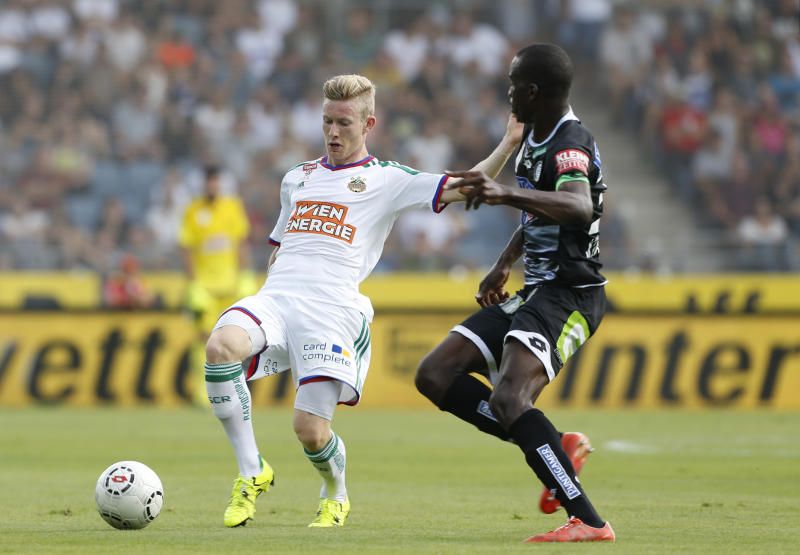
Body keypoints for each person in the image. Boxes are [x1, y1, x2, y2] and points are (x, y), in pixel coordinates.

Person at [203, 74, 522, 528]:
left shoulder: (387, 179)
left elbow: (466, 185)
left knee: (310, 432)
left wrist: (509, 142)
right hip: (277, 298)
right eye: (327, 121)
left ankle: (335, 493)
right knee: (220, 347)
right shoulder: (297, 178)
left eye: (344, 123)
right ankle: (251, 470)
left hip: (332, 312)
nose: (333, 132)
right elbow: (280, 245)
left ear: (368, 124)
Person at [415, 43, 616, 543]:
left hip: (569, 295)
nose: (507, 92)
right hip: (535, 291)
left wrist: (504, 192)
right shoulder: (535, 135)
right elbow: (540, 213)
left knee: (510, 398)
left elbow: (577, 206)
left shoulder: (570, 142)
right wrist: (504, 262)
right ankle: (557, 444)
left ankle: (589, 522)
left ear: (532, 91)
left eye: (512, 84)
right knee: (435, 374)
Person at [179, 166, 256, 403]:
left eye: (215, 181)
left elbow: (241, 243)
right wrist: (193, 284)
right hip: (205, 287)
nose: (212, 185)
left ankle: (234, 390)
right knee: (203, 339)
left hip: (230, 286)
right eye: (208, 181)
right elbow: (187, 249)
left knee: (235, 340)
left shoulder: (232, 207)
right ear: (203, 184)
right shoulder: (193, 210)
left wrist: (245, 275)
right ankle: (203, 393)